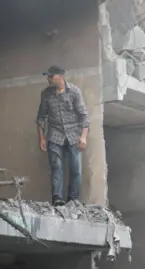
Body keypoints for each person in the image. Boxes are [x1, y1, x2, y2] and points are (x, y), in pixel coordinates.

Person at [36, 65, 90, 206]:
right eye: (48, 76)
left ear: (60, 77)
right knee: (56, 166)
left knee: (76, 169)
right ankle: (57, 198)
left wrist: (83, 136)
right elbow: (41, 117)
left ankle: (73, 200)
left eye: (51, 76)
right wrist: (41, 137)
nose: (48, 79)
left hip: (73, 135)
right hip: (55, 135)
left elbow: (84, 116)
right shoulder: (46, 94)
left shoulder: (74, 92)